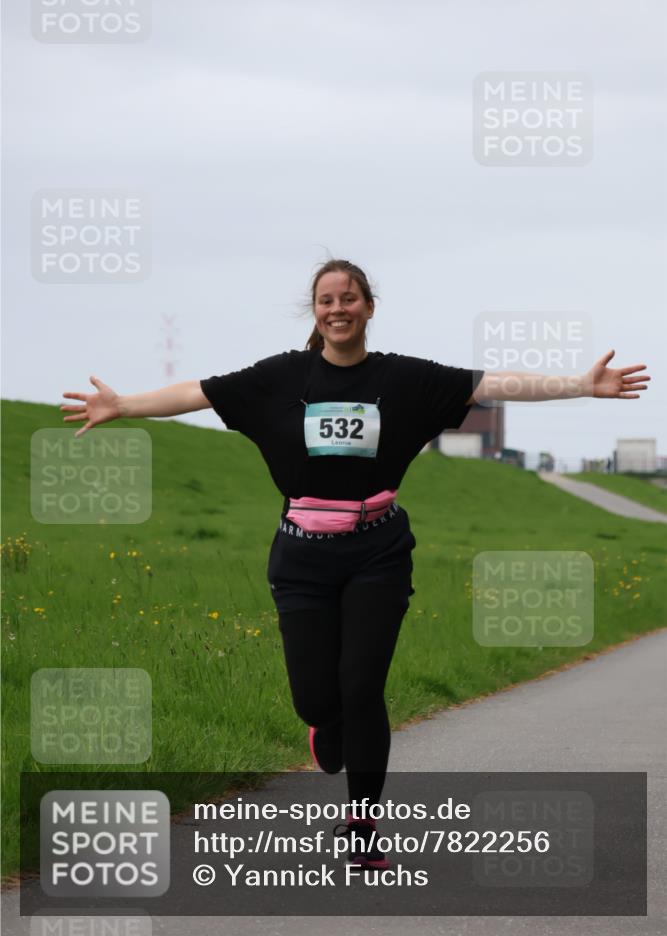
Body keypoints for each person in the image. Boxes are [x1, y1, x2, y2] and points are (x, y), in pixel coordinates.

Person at [61, 258, 650, 870]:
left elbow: (492, 384)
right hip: (301, 556)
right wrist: (123, 405)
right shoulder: (279, 378)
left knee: (363, 686)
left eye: (349, 298)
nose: (338, 308)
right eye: (326, 300)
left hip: (377, 550)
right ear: (315, 312)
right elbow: (197, 393)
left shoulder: (405, 380)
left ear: (369, 307)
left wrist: (582, 385)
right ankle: (325, 726)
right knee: (317, 699)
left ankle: (363, 827)